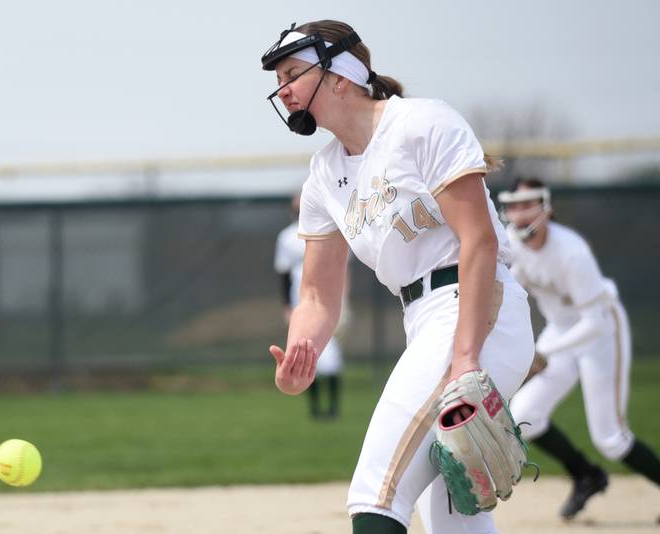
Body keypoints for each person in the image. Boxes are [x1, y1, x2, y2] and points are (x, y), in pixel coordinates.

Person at [261, 20, 534, 534]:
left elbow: (479, 241)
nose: (284, 89)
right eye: (280, 78)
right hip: (425, 321)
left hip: (476, 309)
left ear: (340, 76)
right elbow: (318, 296)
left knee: (376, 493)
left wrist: (465, 358)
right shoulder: (324, 176)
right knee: (450, 517)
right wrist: (303, 350)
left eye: (294, 72)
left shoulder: (419, 124)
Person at [499, 177, 660, 520]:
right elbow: (513, 295)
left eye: (528, 204)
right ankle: (586, 475)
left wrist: (544, 351)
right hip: (561, 333)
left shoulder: (571, 251)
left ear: (546, 207)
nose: (519, 213)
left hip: (601, 332)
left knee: (611, 439)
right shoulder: (513, 243)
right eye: (514, 205)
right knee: (523, 417)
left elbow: (595, 323)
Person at [274, 192, 345, 420]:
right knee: (302, 354)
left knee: (331, 356)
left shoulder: (333, 230)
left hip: (328, 302)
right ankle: (315, 409)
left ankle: (333, 408)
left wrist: (346, 301)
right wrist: (286, 306)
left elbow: (344, 269)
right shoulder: (286, 237)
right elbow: (283, 275)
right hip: (302, 303)